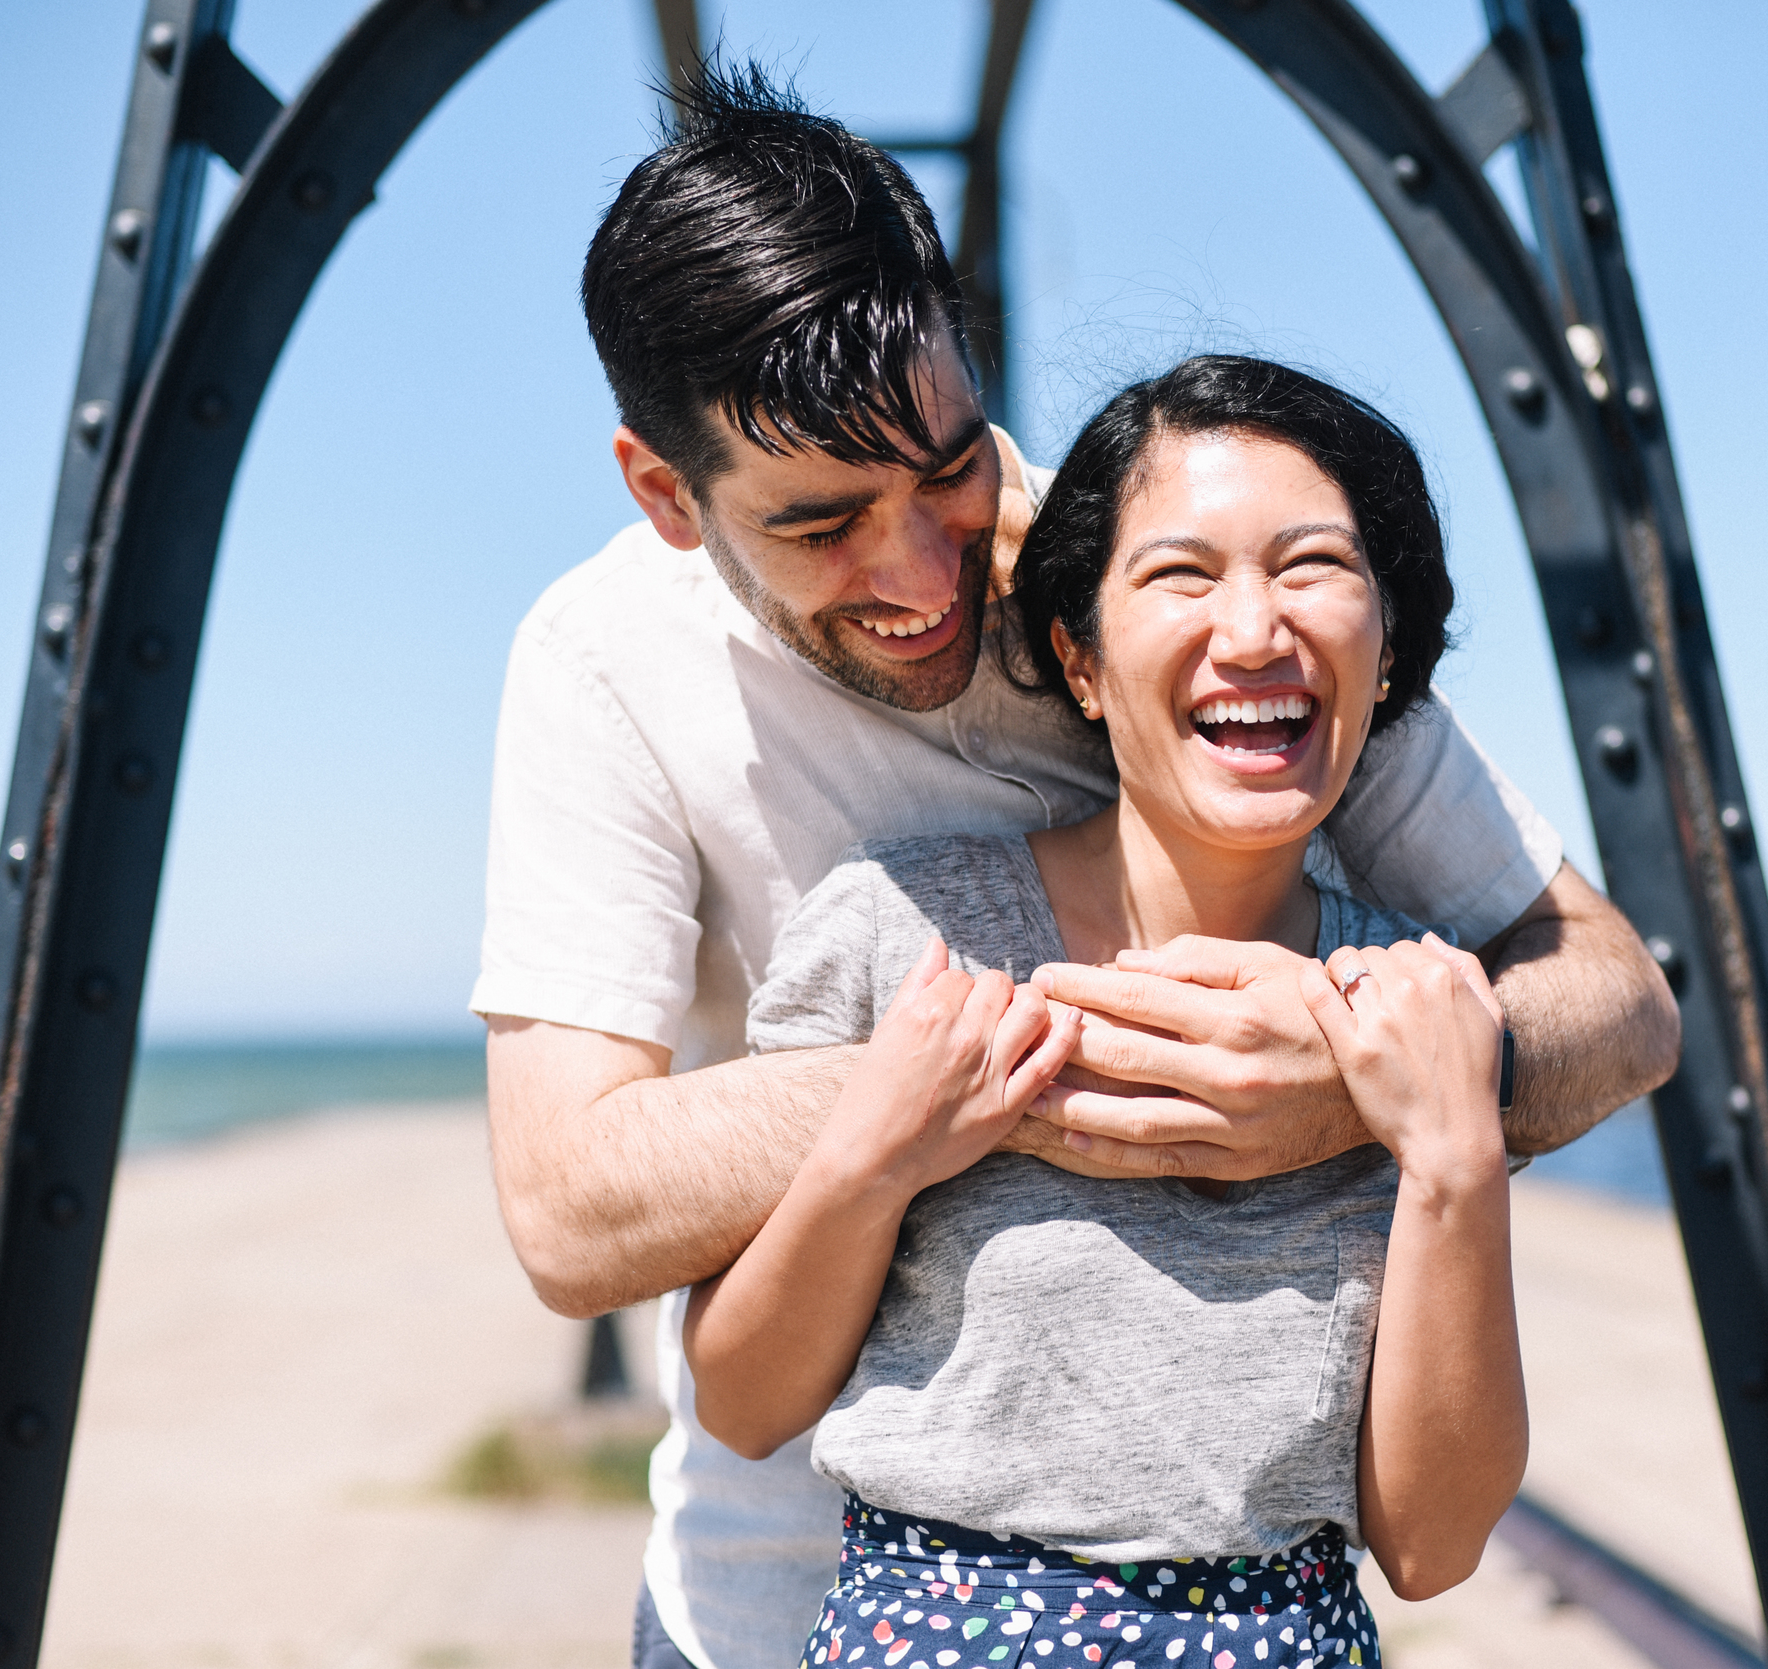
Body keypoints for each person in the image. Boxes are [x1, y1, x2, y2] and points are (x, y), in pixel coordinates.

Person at [470, 63, 1679, 1669]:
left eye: (949, 467)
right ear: (664, 493)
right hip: (774, 1607)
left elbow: (1615, 993)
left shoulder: (1165, 583)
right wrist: (1023, 1062)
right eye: (824, 522)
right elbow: (568, 1211)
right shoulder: (603, 662)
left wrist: (1356, 1075)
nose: (918, 571)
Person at [686, 355, 1527, 1669]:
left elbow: (1431, 1543)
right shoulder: (897, 927)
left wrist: (1456, 1157)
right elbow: (740, 1400)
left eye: (1310, 566)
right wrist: (878, 1143)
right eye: (1183, 575)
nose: (1253, 631)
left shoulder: (1417, 1008)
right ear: (1077, 656)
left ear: (1389, 642)